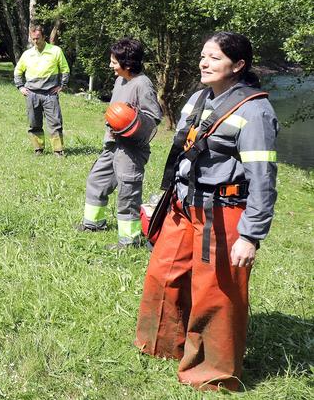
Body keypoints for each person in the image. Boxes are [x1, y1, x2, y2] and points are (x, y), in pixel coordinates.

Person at [134, 32, 278, 391]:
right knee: (163, 275)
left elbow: (263, 178)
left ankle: (212, 372)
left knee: (216, 291)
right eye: (203, 56)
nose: (204, 63)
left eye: (214, 58)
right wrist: (163, 197)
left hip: (224, 212)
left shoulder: (255, 111)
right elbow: (183, 153)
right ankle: (164, 345)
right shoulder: (199, 98)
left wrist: (250, 235)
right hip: (184, 207)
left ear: (238, 65)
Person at [78, 39, 163, 248]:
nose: (110, 66)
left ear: (127, 63)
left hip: (131, 149)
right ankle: (93, 223)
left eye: (114, 62)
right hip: (112, 144)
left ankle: (129, 240)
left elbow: (154, 117)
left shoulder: (143, 84)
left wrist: (131, 121)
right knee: (97, 179)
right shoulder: (120, 81)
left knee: (128, 191)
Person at [14, 24, 70, 156]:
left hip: (50, 94)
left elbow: (65, 69)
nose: (35, 41)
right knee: (34, 124)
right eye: (33, 39)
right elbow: (17, 71)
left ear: (44, 37)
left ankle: (58, 151)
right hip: (32, 94)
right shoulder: (27, 54)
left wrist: (62, 85)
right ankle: (38, 149)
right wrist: (20, 86)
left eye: (38, 38)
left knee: (55, 123)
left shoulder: (56, 51)